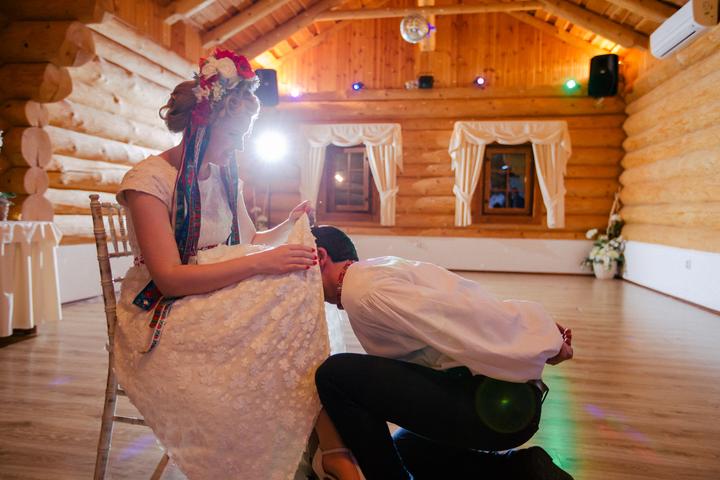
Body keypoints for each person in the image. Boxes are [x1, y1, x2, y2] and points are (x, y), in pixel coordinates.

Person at [114, 49, 329, 480]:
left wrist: (288, 225)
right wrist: (262, 264)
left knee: (296, 289)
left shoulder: (224, 173)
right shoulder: (149, 181)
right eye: (234, 134)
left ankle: (293, 439)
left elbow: (248, 243)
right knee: (283, 301)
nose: (240, 146)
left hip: (210, 291)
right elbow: (170, 279)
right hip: (162, 308)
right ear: (202, 126)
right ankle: (275, 449)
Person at [310, 226, 574, 480]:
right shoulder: (374, 271)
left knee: (335, 375)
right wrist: (537, 334)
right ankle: (519, 470)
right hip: (496, 401)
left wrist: (542, 339)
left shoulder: (364, 292)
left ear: (321, 257)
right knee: (405, 448)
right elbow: (465, 298)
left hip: (498, 407)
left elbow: (464, 317)